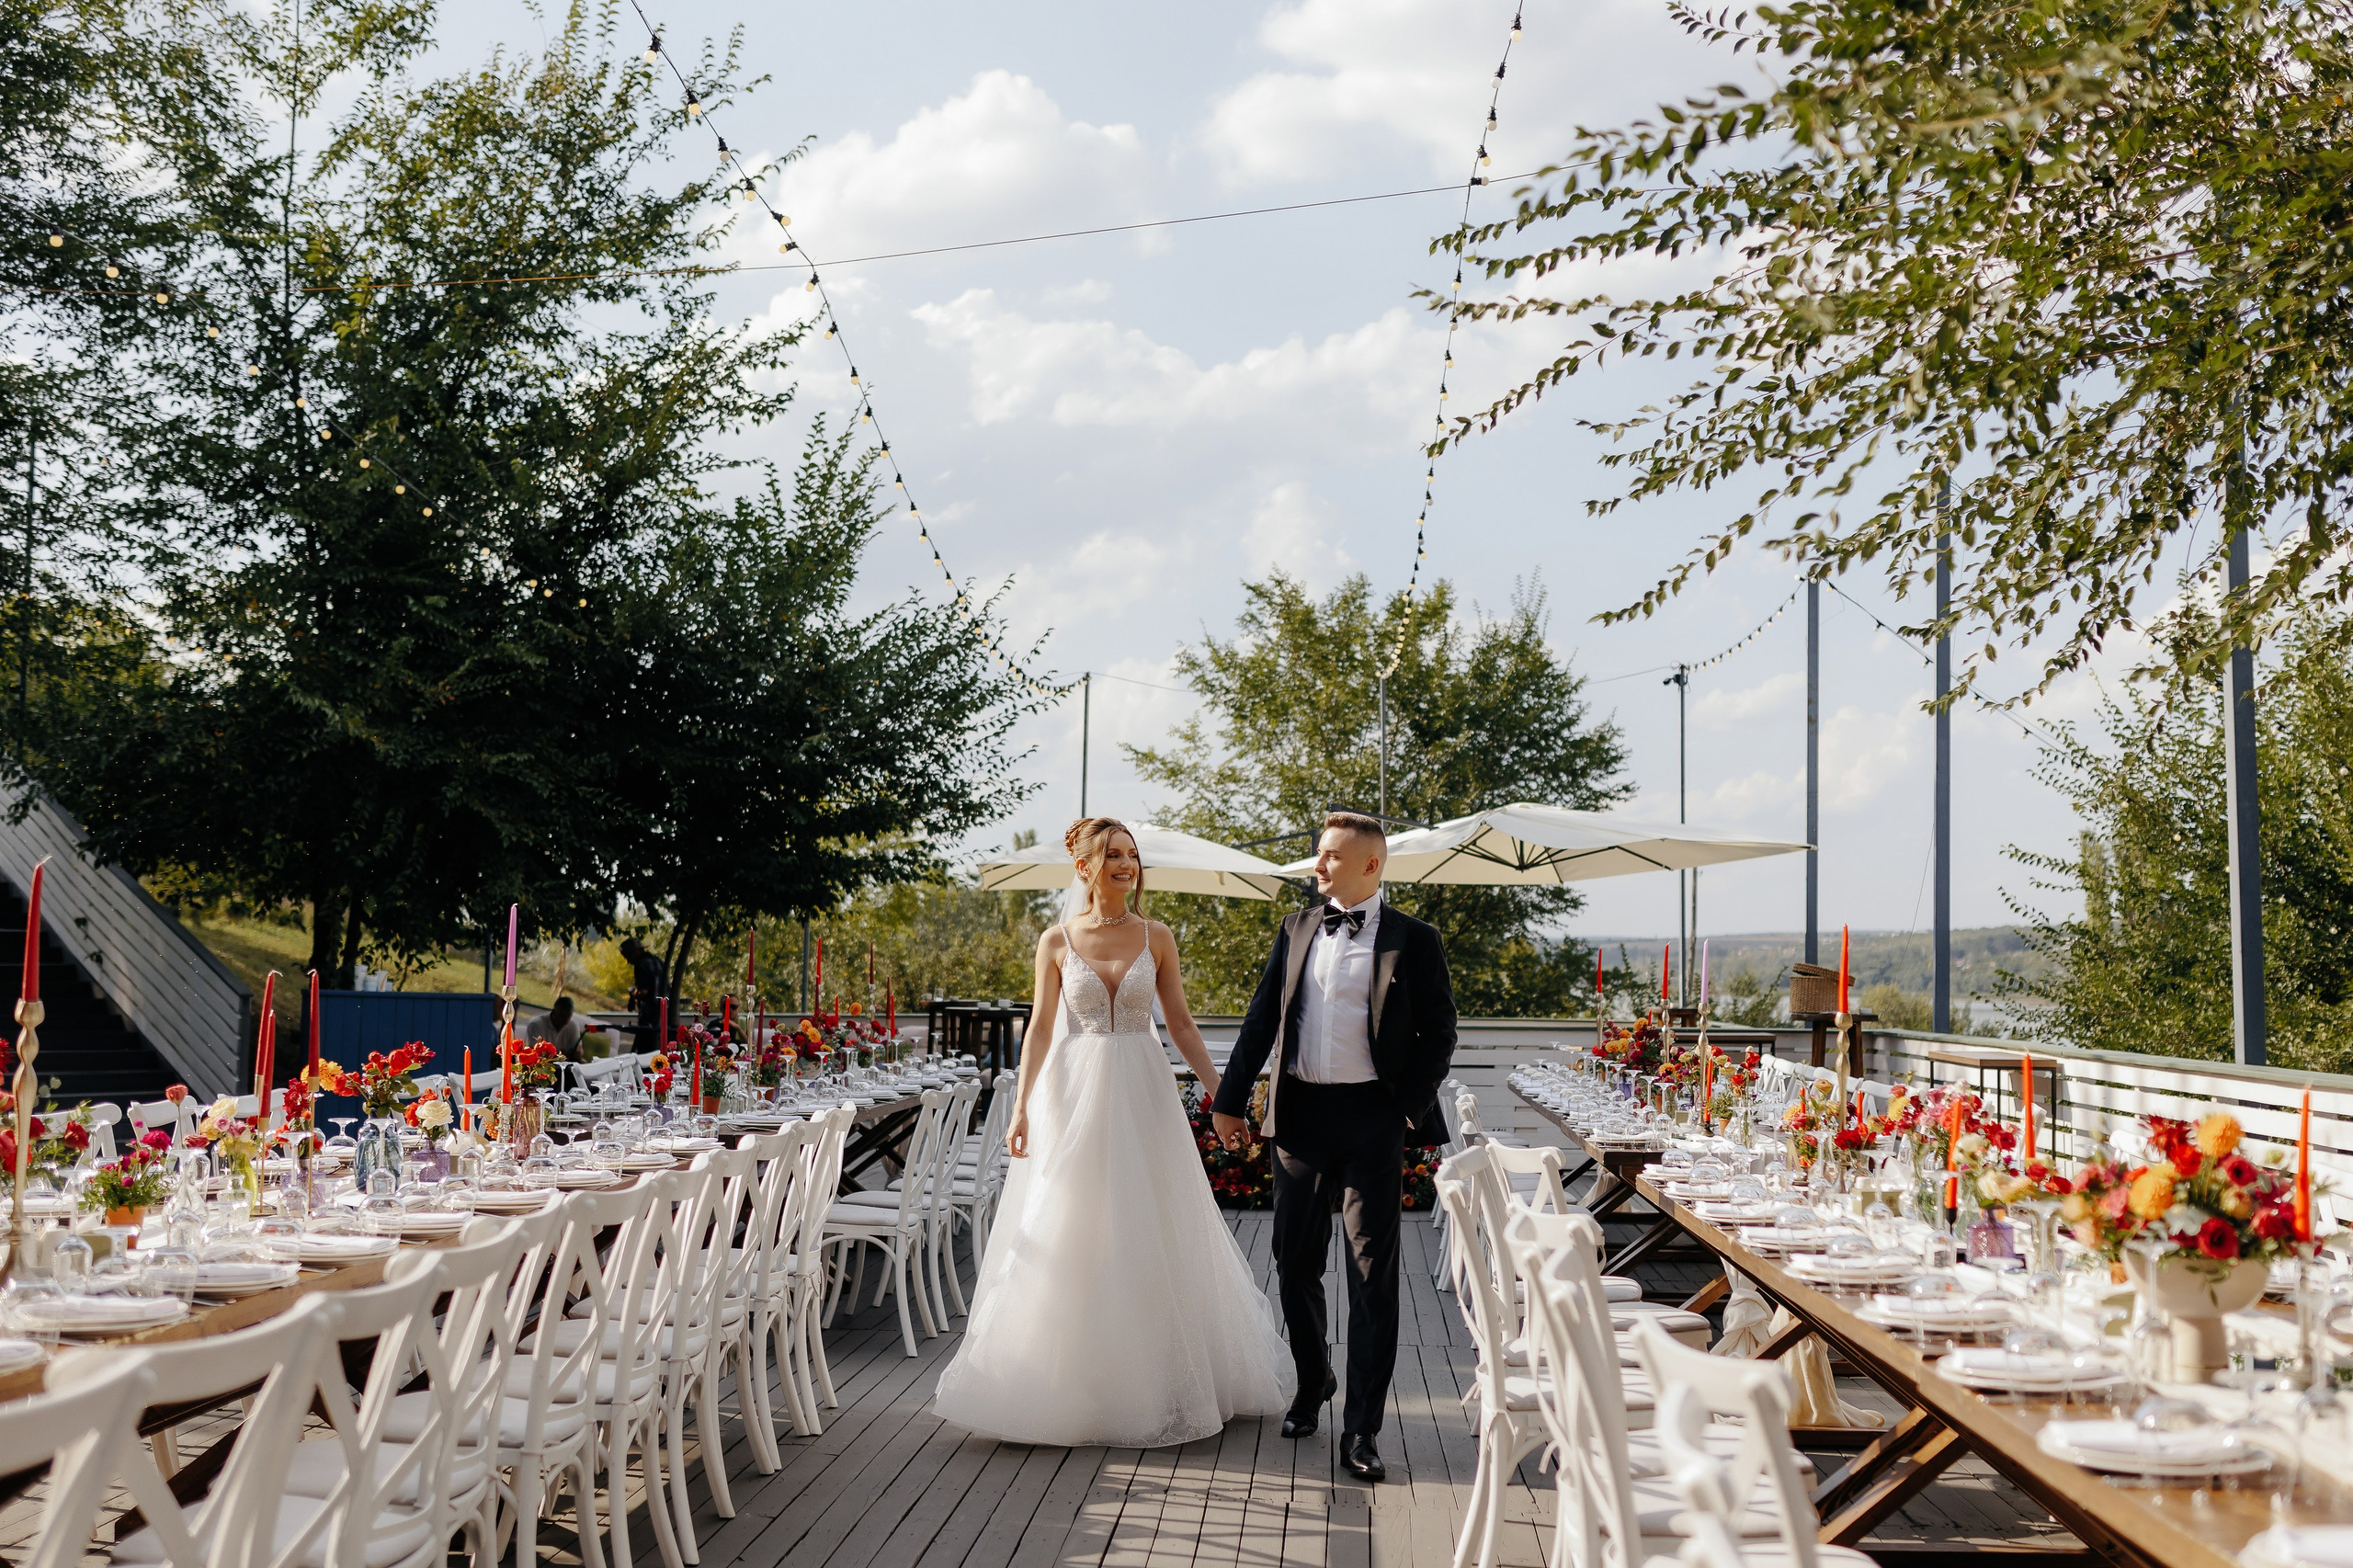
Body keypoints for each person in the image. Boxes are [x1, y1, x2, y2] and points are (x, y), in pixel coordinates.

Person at [932, 817, 1294, 1447]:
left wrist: (1224, 1093)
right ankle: (1067, 1384)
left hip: (1143, 1091)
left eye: (1131, 855)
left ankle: (1160, 1381)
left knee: (1148, 1223)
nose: (1127, 865)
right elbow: (1041, 1028)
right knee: (1072, 1224)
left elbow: (1179, 1023)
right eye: (1112, 855)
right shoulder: (1054, 940)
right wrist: (1020, 1108)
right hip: (1071, 1094)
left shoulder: (1157, 936)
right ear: (1084, 868)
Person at [1211, 812, 1457, 1483]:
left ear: (1370, 866)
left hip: (1374, 1119)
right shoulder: (1294, 929)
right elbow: (1262, 1017)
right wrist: (1230, 1102)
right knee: (1294, 1264)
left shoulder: (1416, 940)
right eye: (1318, 855)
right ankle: (1314, 1377)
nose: (1317, 866)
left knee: (1371, 1277)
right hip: (1299, 1119)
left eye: (1329, 856)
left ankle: (1362, 1430)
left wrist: (1404, 1108)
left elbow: (1439, 1033)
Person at [619, 937, 667, 1051]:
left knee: (645, 1051)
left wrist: (633, 995)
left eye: (627, 956)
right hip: (665, 1014)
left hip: (650, 1016)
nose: (628, 961)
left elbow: (643, 991)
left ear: (635, 952)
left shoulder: (641, 965)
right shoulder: (658, 961)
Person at [523, 995, 587, 1063]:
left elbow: (579, 1050)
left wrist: (577, 1053)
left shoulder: (573, 1024)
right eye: (562, 1017)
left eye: (568, 1017)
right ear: (554, 1012)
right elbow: (532, 1052)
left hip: (565, 1063)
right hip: (542, 1063)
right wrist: (557, 1055)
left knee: (583, 1063)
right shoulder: (536, 1024)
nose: (565, 1021)